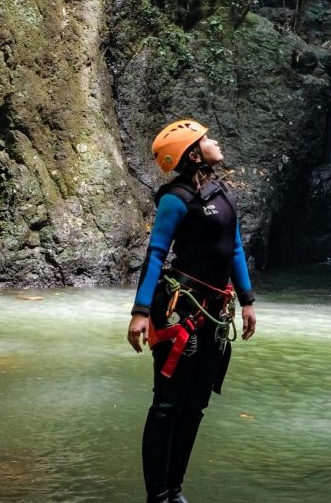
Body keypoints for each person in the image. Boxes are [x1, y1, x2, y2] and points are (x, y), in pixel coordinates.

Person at [126, 119, 257, 503]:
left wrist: (247, 301)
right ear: (194, 153)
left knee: (195, 404)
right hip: (180, 311)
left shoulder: (222, 195)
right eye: (206, 139)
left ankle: (175, 491)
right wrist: (140, 311)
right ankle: (158, 496)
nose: (215, 141)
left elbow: (234, 249)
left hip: (215, 313)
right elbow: (155, 255)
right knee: (167, 403)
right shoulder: (175, 199)